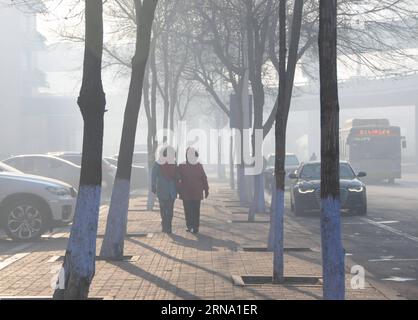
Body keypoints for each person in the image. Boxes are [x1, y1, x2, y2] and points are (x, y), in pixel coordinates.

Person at [178, 147, 209, 234]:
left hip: (194, 192)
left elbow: (204, 178)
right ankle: (191, 226)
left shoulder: (198, 166)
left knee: (193, 210)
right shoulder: (182, 166)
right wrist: (179, 188)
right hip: (188, 192)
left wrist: (206, 190)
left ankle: (193, 226)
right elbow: (177, 178)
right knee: (190, 210)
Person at [151, 146, 177, 234]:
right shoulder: (158, 163)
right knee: (164, 209)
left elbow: (177, 176)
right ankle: (165, 226)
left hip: (170, 191)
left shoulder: (174, 163)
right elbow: (153, 176)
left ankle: (167, 227)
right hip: (163, 191)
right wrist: (153, 186)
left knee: (168, 210)